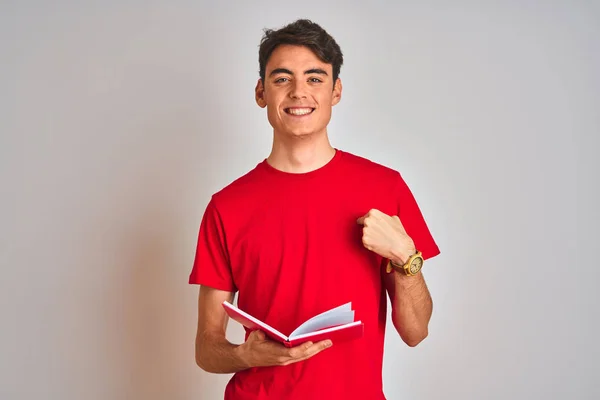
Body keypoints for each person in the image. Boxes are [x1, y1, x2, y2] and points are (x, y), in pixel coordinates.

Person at [189, 19, 440, 399]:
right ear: (261, 92)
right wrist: (245, 354)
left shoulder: (385, 188)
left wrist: (407, 257)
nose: (298, 92)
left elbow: (416, 332)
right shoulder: (226, 207)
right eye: (282, 78)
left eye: (315, 78)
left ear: (336, 91)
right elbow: (207, 349)